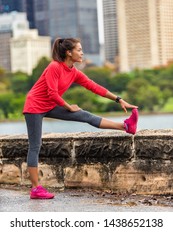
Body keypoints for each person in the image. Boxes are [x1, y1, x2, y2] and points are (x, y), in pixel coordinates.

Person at [23, 37, 138, 199]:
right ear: (69, 53)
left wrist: (118, 99)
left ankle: (126, 127)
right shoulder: (54, 67)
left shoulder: (73, 72)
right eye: (79, 50)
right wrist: (69, 107)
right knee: (35, 145)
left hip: (49, 105)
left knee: (84, 115)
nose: (82, 53)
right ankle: (35, 189)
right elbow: (52, 93)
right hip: (34, 106)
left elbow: (94, 87)